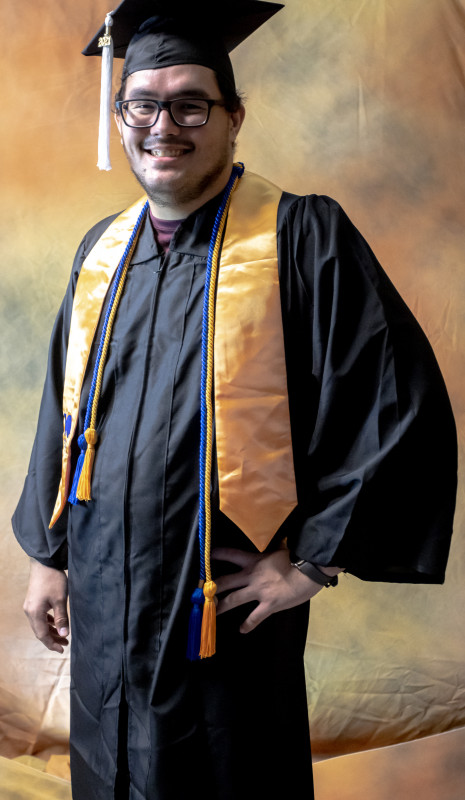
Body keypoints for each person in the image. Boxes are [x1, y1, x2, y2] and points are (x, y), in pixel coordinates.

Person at [12, 2, 457, 799]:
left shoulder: (300, 237)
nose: (164, 125)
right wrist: (49, 559)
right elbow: (64, 411)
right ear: (120, 117)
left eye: (190, 103)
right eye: (143, 103)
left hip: (218, 607)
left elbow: (393, 399)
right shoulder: (102, 252)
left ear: (233, 117)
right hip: (107, 593)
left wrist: (314, 561)